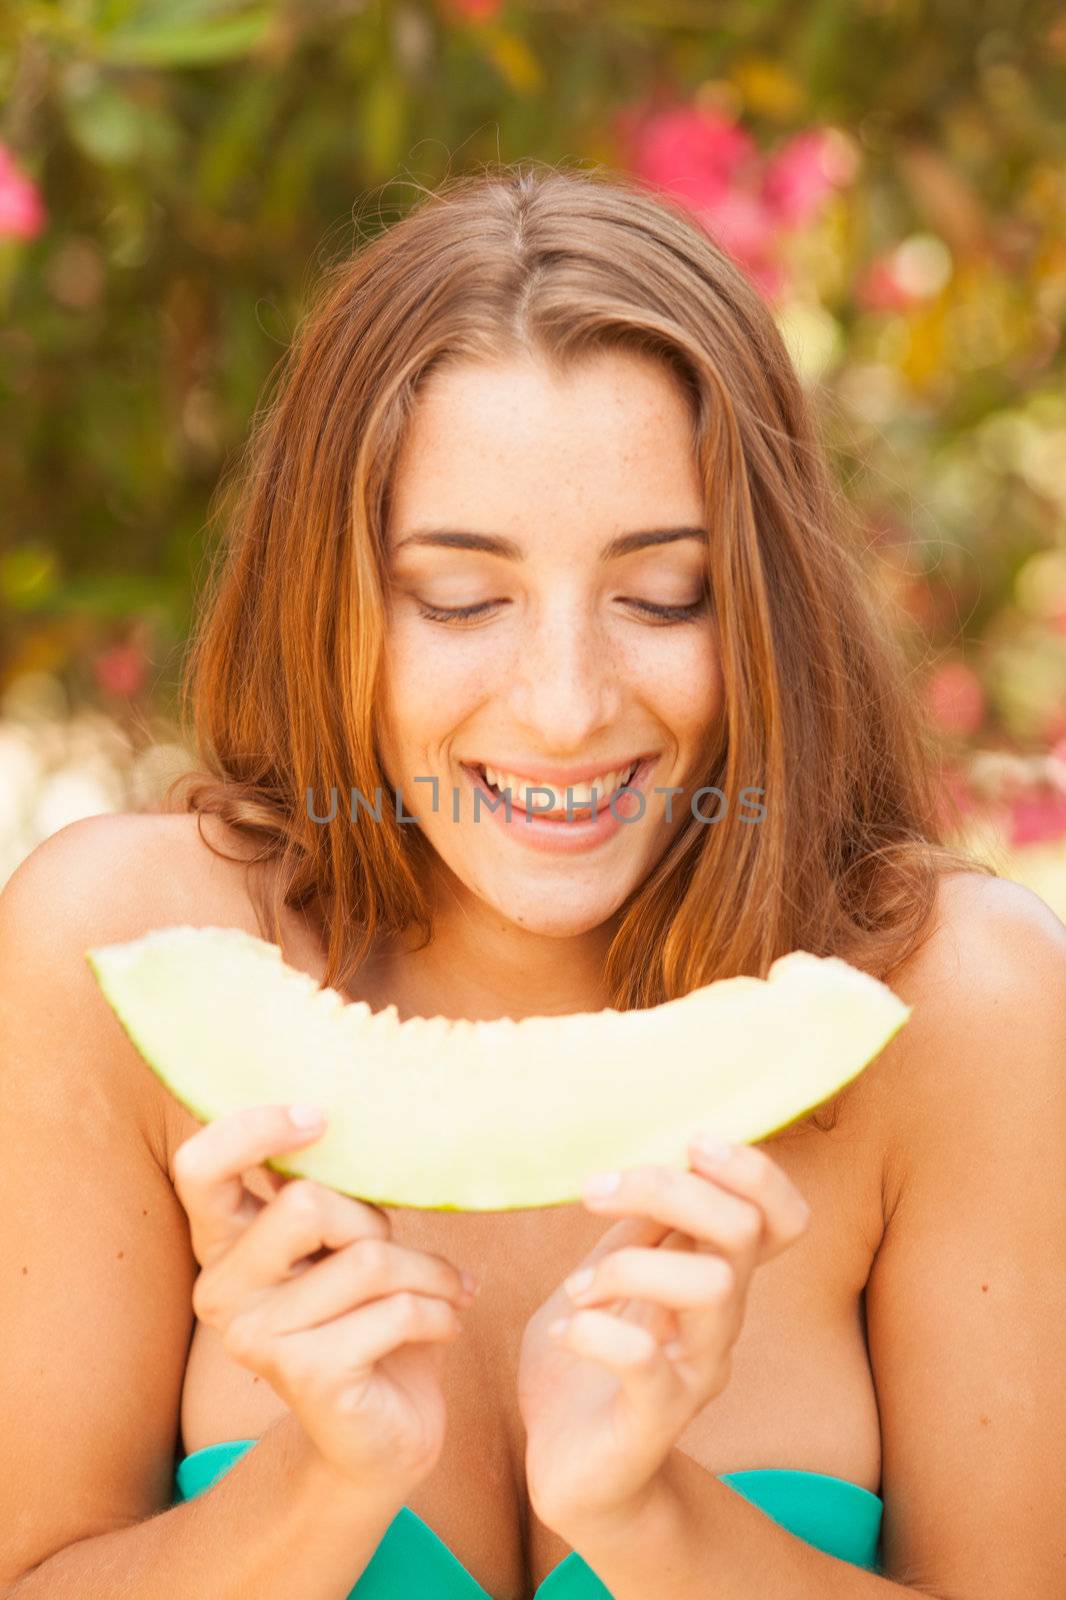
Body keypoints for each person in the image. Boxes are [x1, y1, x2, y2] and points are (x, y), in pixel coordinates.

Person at [2, 162, 1064, 1600]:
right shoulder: (111, 957)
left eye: (661, 595)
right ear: (334, 602)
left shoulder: (965, 1011)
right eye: (458, 598)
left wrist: (650, 1523)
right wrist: (322, 1488)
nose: (564, 707)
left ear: (763, 600)